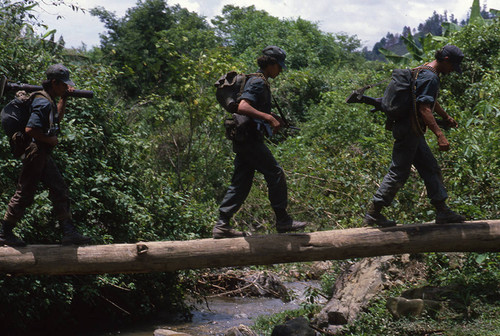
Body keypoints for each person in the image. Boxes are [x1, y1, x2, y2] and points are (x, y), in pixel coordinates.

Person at [347, 45, 467, 226]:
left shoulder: (422, 70)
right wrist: (440, 135)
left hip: (412, 130)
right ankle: (374, 213)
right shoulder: (430, 76)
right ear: (446, 60)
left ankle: (442, 210)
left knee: (430, 167)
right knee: (398, 172)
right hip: (409, 130)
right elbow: (425, 108)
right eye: (452, 66)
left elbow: (430, 100)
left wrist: (445, 116)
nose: (451, 71)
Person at [213, 46, 308, 239]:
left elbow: (251, 108)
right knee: (275, 172)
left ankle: (222, 224)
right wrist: (269, 117)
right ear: (271, 65)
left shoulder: (257, 80)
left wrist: (270, 117)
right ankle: (282, 220)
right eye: (279, 66)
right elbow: (243, 106)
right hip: (249, 139)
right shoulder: (258, 82)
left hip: (244, 138)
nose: (280, 70)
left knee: (241, 182)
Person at [0, 64, 92, 246]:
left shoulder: (47, 99)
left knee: (59, 188)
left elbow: (55, 119)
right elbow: (31, 129)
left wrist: (64, 99)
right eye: (63, 85)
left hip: (40, 151)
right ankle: (4, 232)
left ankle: (68, 231)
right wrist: (50, 141)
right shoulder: (42, 102)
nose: (66, 87)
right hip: (36, 151)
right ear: (54, 82)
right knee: (25, 192)